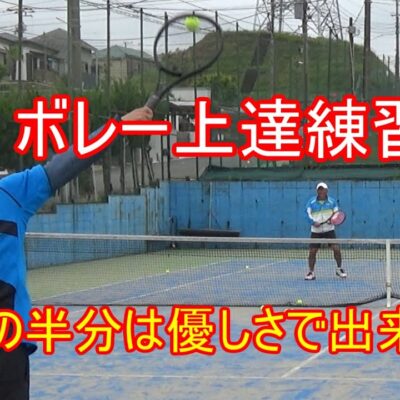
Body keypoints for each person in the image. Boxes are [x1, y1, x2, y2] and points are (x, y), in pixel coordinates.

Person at [0, 106, 153, 399]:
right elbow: (70, 162)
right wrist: (118, 126)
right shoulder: (11, 193)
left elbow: (70, 161)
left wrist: (118, 125)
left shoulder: (10, 193)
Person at [304, 182, 347, 281]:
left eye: (323, 189)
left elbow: (337, 214)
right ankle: (311, 272)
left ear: (326, 190)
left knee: (336, 249)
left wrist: (332, 220)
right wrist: (313, 222)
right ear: (317, 191)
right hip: (316, 231)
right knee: (312, 251)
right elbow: (307, 213)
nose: (321, 191)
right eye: (319, 189)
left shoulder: (332, 202)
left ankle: (339, 269)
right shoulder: (311, 202)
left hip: (329, 230)